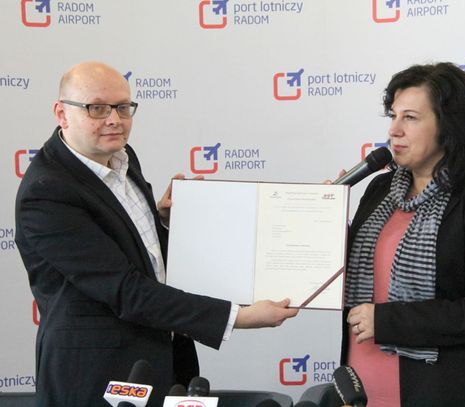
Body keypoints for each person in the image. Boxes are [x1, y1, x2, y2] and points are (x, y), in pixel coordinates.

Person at [15, 61, 298, 407]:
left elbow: (140, 254)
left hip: (164, 361)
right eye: (97, 108)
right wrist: (238, 316)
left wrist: (161, 222)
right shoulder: (47, 192)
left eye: (123, 107)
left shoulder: (121, 156)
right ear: (62, 113)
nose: (114, 119)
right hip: (98, 377)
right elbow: (126, 290)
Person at [340, 62, 465, 407]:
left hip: (444, 389)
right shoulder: (380, 190)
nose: (394, 130)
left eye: (410, 118)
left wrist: (387, 321)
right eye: (393, 116)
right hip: (362, 381)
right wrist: (324, 223)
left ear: (448, 126)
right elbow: (351, 276)